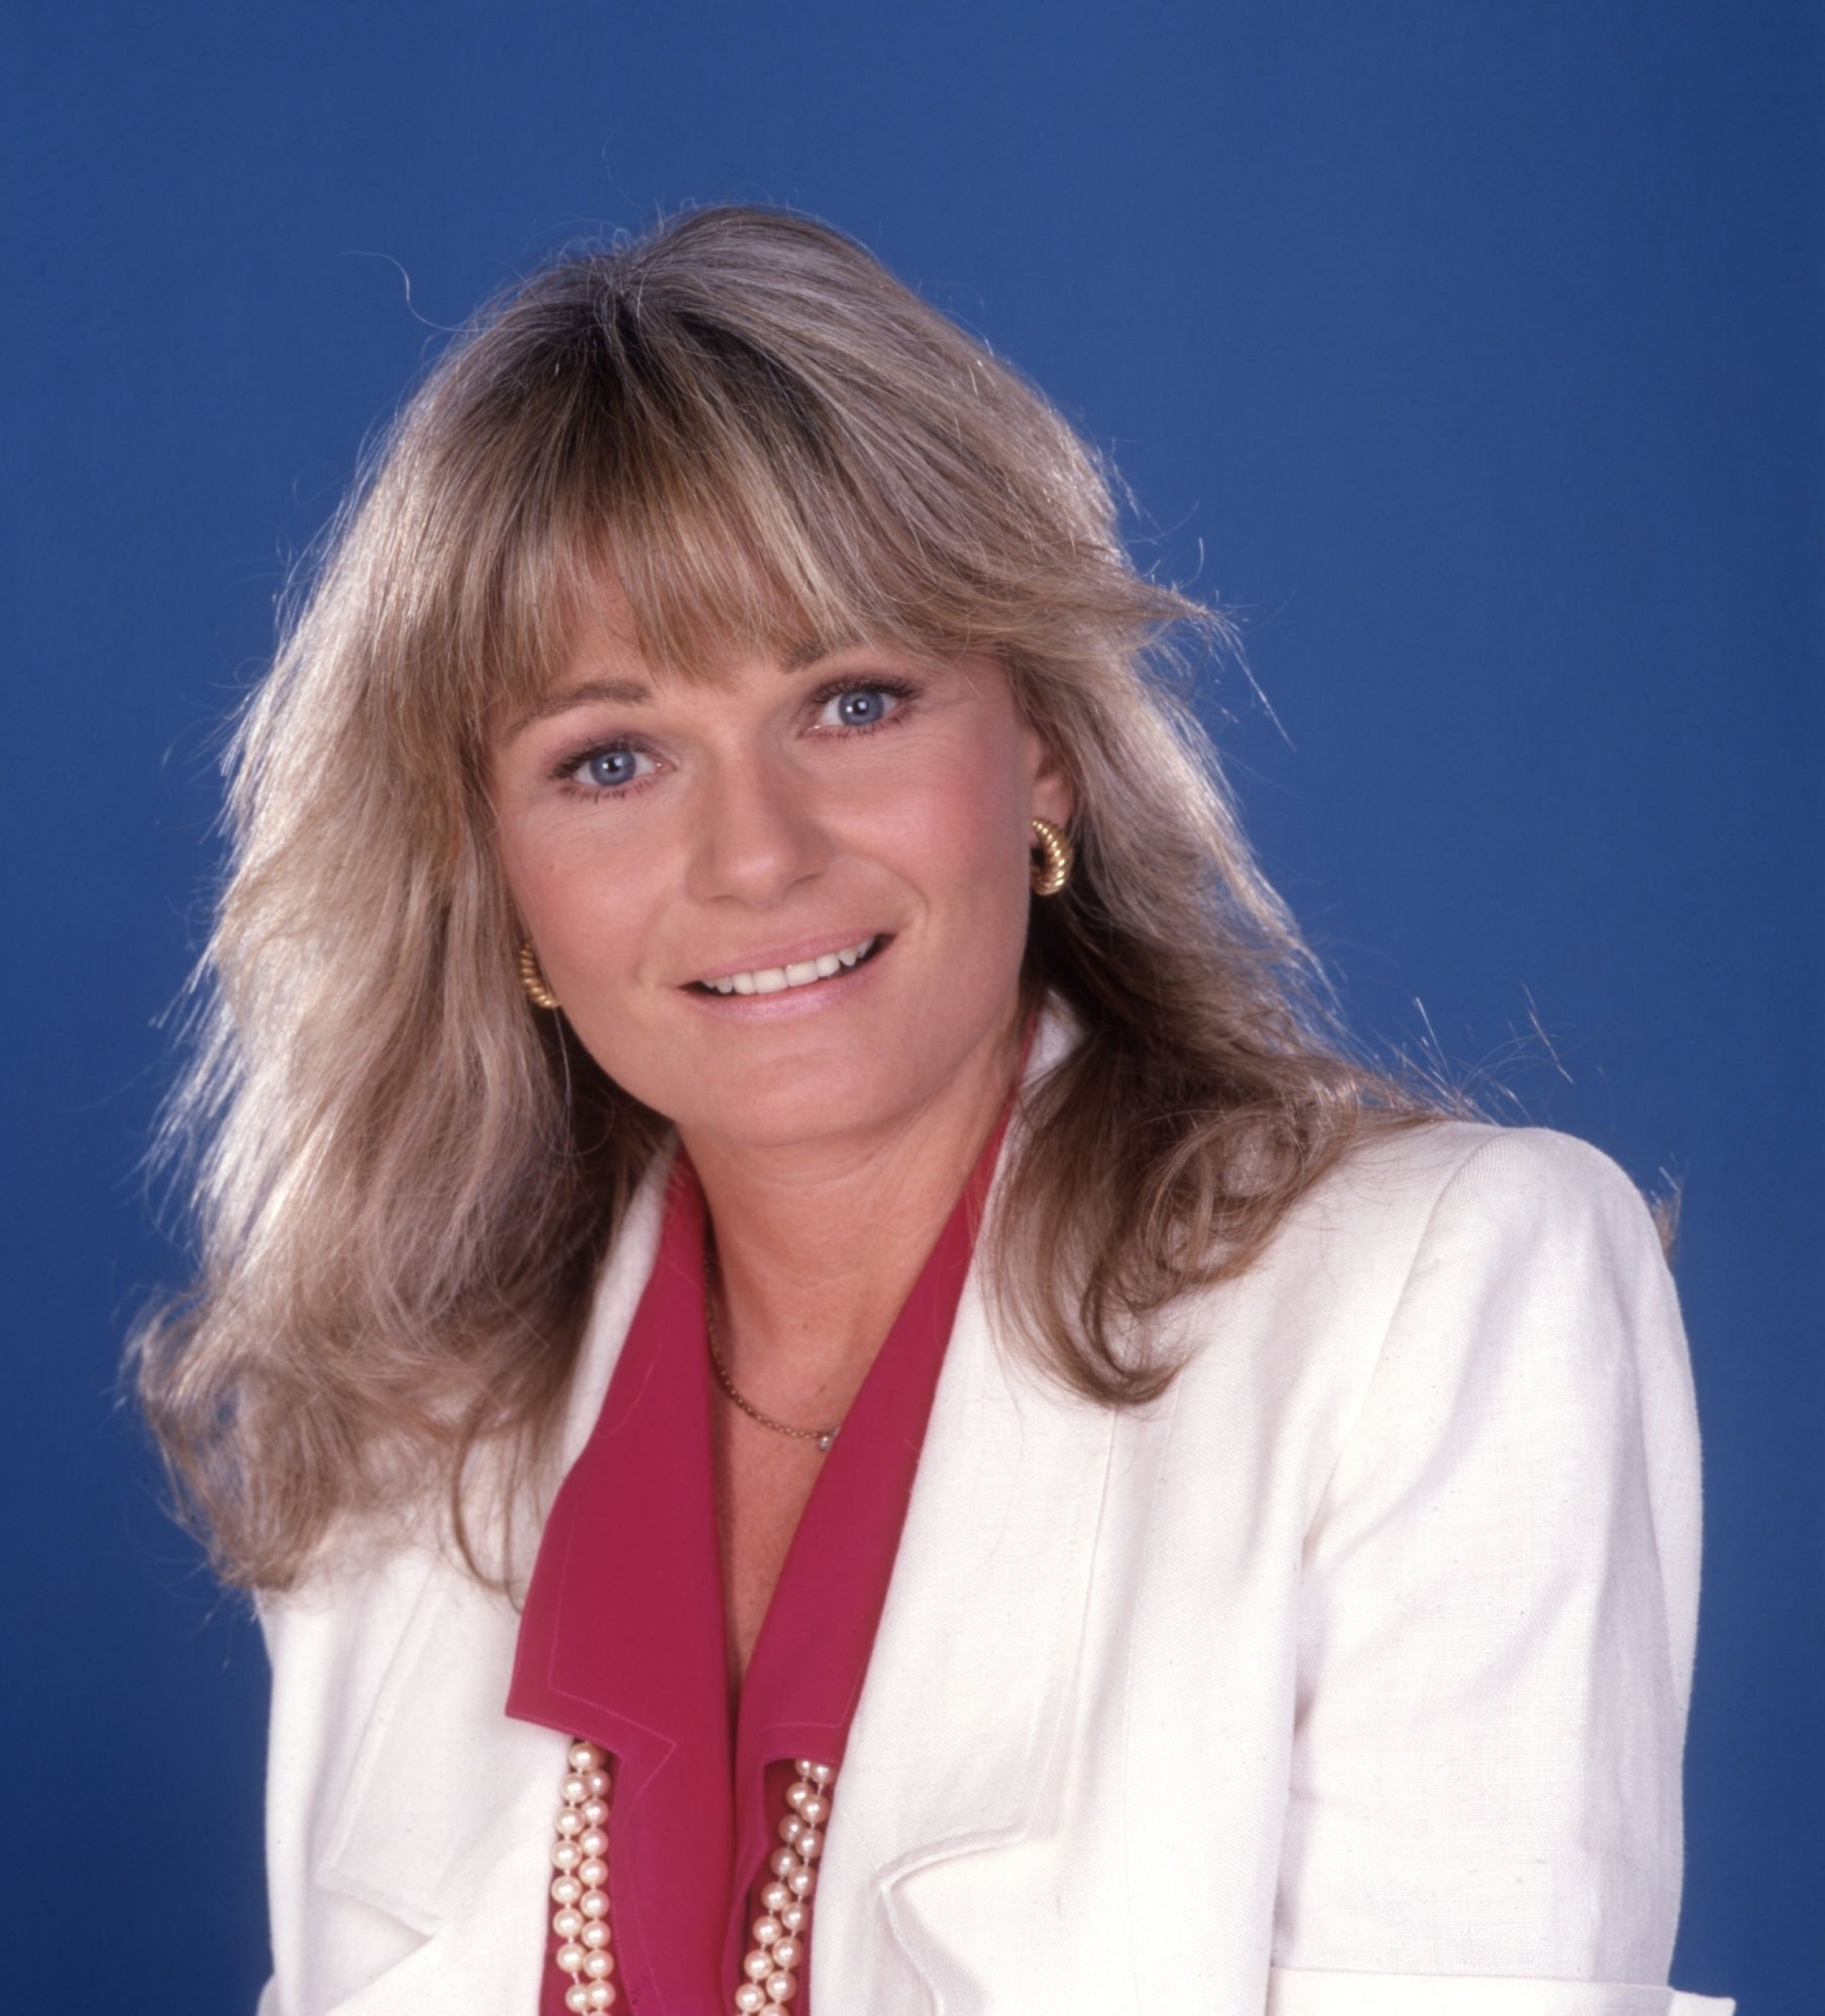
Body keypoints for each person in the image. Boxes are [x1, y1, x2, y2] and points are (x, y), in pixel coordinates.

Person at [133, 207, 1732, 2016]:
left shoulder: (1439, 1303)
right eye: (610, 759)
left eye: (855, 700)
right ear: (493, 881)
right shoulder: (409, 1452)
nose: (756, 855)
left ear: (1040, 750)